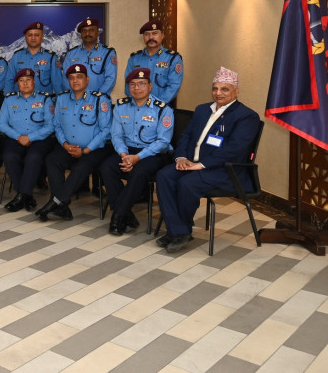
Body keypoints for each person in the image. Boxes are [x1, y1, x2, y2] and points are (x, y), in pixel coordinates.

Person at [156, 66, 260, 253]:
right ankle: (179, 230)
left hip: (224, 170)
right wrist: (181, 158)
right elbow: (186, 136)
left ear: (236, 91)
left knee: (187, 184)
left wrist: (201, 165)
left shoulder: (246, 116)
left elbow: (234, 150)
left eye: (224, 89)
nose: (218, 93)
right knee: (164, 175)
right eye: (215, 88)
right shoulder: (202, 110)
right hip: (192, 163)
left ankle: (178, 232)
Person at [99, 68, 173, 235]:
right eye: (132, 84)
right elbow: (116, 135)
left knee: (138, 172)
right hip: (127, 151)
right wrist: (124, 155)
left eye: (141, 83)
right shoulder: (121, 106)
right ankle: (127, 215)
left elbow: (163, 142)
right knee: (106, 167)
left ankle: (118, 216)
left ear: (150, 86)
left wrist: (137, 157)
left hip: (153, 153)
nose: (137, 88)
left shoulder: (163, 109)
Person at [36, 63, 112, 221]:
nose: (75, 80)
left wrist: (86, 150)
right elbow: (57, 125)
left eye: (79, 77)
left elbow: (106, 130)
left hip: (95, 149)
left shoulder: (100, 100)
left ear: (87, 79)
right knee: (52, 159)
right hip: (68, 147)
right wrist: (65, 144)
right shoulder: (62, 98)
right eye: (71, 78)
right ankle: (62, 207)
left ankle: (56, 202)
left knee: (82, 166)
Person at [0, 68, 56, 212]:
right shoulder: (9, 99)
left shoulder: (45, 99)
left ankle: (21, 196)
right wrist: (18, 137)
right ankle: (26, 196)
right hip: (16, 138)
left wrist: (30, 137)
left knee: (33, 157)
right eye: (21, 80)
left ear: (34, 82)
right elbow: (1, 124)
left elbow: (50, 125)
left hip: (39, 139)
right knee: (8, 156)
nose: (25, 83)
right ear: (17, 83)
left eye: (28, 80)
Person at [124, 20, 184, 103]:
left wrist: (155, 105)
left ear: (162, 35)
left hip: (162, 107)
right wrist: (137, 103)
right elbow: (128, 84)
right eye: (147, 34)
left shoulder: (172, 58)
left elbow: (174, 86)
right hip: (137, 106)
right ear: (143, 37)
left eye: (155, 33)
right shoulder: (134, 58)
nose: (151, 37)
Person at [62, 17, 117, 96]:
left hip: (99, 99)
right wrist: (74, 96)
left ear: (98, 33)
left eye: (91, 30)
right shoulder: (71, 54)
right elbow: (65, 78)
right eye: (84, 31)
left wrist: (98, 97)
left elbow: (111, 78)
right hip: (76, 99)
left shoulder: (108, 53)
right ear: (81, 35)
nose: (87, 33)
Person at [6, 21, 61, 96]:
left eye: (37, 35)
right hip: (20, 101)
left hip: (43, 101)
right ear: (25, 37)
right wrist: (8, 99)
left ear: (42, 37)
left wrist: (61, 101)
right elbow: (9, 81)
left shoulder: (51, 57)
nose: (33, 38)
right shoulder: (16, 56)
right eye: (30, 35)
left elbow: (57, 83)